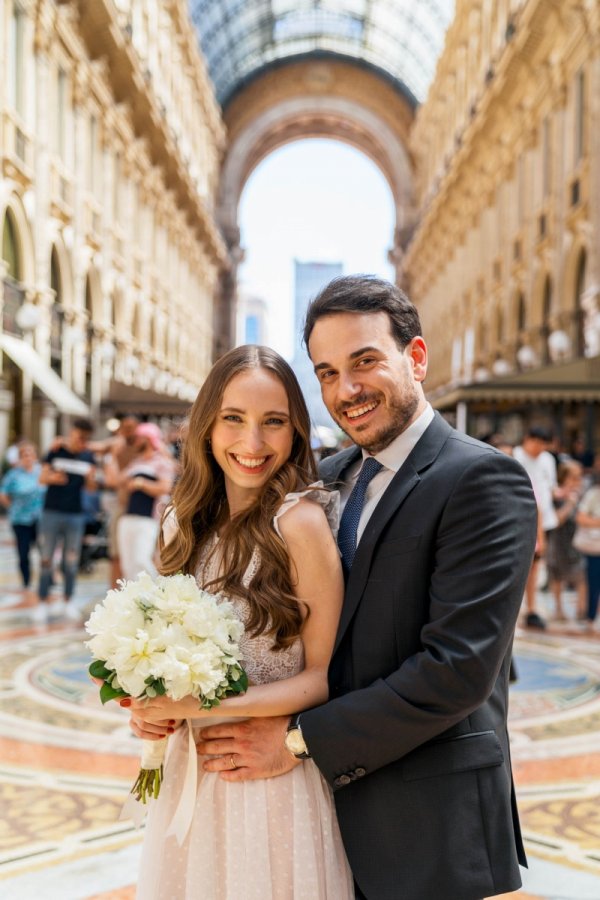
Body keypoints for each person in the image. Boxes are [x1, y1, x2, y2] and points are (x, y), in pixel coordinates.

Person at [133, 275, 540, 900]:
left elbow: (456, 671)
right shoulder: (322, 478)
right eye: (326, 372)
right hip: (303, 807)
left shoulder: (483, 480)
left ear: (417, 357)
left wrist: (296, 740)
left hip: (421, 817)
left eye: (365, 362)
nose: (345, 390)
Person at [122, 345, 353, 899]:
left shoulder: (299, 523)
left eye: (273, 423)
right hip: (191, 778)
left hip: (269, 782)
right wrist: (151, 708)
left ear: (296, 432)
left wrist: (201, 706)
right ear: (207, 425)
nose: (252, 445)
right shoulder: (181, 521)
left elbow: (324, 677)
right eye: (234, 419)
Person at [34, 418, 96, 624]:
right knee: (45, 559)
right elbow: (42, 479)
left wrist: (91, 477)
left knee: (70, 561)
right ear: (72, 433)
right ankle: (42, 601)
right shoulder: (55, 451)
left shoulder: (88, 456)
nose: (82, 442)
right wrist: (54, 478)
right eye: (80, 437)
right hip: (51, 512)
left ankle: (68, 600)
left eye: (86, 439)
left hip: (75, 515)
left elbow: (91, 488)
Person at [107, 422, 175, 581]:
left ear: (148, 438)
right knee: (128, 565)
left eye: (139, 437)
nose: (136, 440)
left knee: (141, 560)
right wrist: (111, 456)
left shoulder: (161, 462)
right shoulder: (136, 463)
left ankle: (154, 596)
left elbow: (165, 487)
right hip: (128, 516)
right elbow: (115, 481)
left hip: (148, 519)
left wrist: (140, 483)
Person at [514, 426, 559, 628]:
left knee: (536, 565)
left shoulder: (548, 459)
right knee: (518, 566)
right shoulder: (515, 456)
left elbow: (550, 488)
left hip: (543, 519)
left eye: (544, 445)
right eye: (537, 443)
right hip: (520, 519)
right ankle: (515, 608)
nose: (540, 448)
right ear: (527, 439)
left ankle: (531, 608)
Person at [0, 440, 45, 602]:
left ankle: (47, 581)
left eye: (31, 454)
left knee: (44, 551)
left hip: (40, 518)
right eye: (24, 455)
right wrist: (11, 507)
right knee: (23, 552)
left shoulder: (41, 471)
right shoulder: (13, 475)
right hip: (20, 519)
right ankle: (26, 582)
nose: (28, 457)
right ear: (20, 457)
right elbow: (3, 493)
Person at [546, 460, 586, 621]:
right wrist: (569, 503)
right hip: (559, 541)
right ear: (563, 478)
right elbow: (556, 520)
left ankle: (581, 610)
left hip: (578, 542)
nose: (576, 482)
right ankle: (558, 609)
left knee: (581, 576)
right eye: (572, 478)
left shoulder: (584, 494)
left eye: (578, 478)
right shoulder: (556, 495)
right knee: (556, 576)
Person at [575, 474, 600, 632]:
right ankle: (590, 617)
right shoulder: (594, 494)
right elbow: (581, 517)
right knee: (593, 583)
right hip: (595, 547)